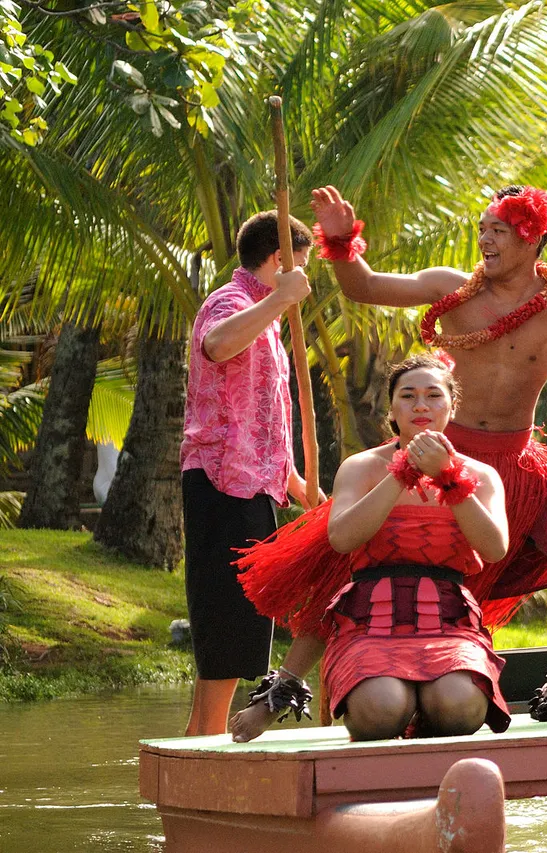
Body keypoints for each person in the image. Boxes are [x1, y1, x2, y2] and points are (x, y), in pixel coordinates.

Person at [305, 183, 547, 720]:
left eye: (498, 231)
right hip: (450, 455)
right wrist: (341, 238)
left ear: (532, 239)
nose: (484, 239)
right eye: (482, 228)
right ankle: (354, 683)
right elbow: (364, 287)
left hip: (523, 461)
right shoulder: (453, 290)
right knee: (416, 571)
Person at [232, 354, 512, 740]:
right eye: (408, 396)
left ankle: (423, 717)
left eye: (433, 396)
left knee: (458, 709)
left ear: (451, 407)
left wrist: (448, 477)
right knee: (380, 711)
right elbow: (342, 538)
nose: (420, 406)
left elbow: (495, 548)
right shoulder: (361, 467)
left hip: (448, 622)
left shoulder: (481, 476)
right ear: (392, 410)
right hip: (371, 622)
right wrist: (402, 474)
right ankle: (374, 706)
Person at [179, 211, 319, 736]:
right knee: (225, 614)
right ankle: (207, 736)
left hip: (253, 484)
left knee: (245, 619)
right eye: (300, 266)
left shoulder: (266, 317)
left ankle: (203, 733)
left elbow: (263, 421)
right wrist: (280, 297)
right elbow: (216, 345)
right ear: (279, 259)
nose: (304, 280)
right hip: (220, 482)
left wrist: (300, 487)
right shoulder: (233, 302)